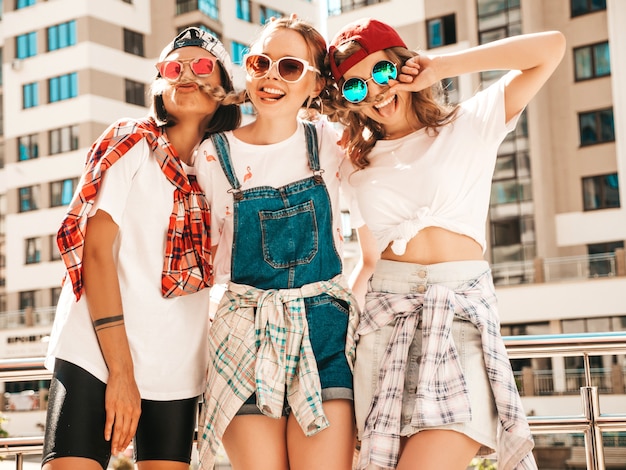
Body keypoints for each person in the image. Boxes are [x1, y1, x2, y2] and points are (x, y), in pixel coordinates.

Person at [325, 18, 565, 470]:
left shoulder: (470, 123)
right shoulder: (354, 165)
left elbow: (550, 46)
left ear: (404, 66)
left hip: (460, 319)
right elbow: (369, 261)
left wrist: (442, 66)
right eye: (355, 87)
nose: (374, 92)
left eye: (381, 73)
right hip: (384, 321)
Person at [42, 27, 241, 470]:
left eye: (202, 65)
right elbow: (95, 254)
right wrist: (122, 374)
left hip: (178, 360)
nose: (185, 74)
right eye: (174, 68)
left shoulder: (226, 172)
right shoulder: (131, 141)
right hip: (96, 350)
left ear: (224, 89)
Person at [194, 16, 358, 470]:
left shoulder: (330, 142)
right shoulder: (212, 154)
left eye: (289, 67)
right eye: (261, 62)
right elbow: (202, 257)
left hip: (324, 331)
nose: (270, 76)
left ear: (316, 82)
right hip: (244, 332)